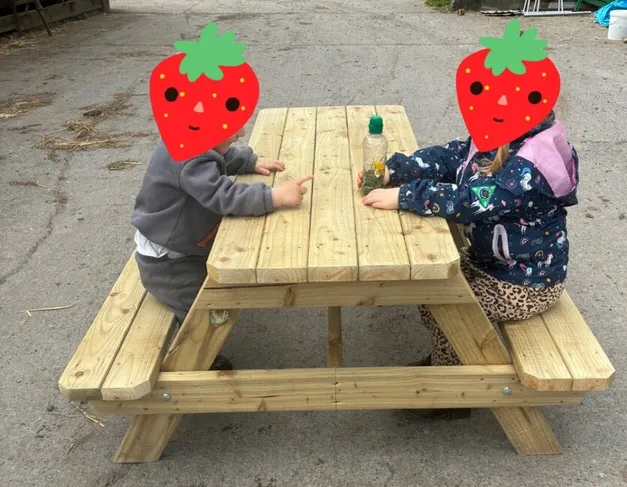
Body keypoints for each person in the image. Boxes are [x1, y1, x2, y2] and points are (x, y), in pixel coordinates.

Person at [359, 111, 578, 416]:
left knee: (448, 306)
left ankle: (451, 397)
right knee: (431, 291)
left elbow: (471, 200)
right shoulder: (504, 130)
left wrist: (406, 195)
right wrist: (398, 171)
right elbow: (455, 157)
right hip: (494, 265)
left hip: (525, 284)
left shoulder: (529, 167)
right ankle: (450, 359)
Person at [131, 132, 311, 366]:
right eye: (232, 127)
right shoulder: (190, 160)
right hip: (168, 264)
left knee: (219, 286)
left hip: (182, 245)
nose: (240, 133)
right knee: (202, 306)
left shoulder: (190, 140)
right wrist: (273, 196)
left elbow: (215, 156)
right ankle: (196, 357)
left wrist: (247, 162)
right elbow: (222, 195)